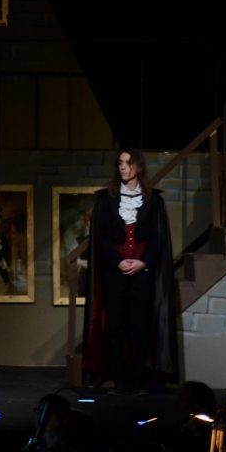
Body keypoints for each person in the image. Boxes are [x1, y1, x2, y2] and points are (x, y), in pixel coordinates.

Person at [82, 148, 178, 394]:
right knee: (116, 328)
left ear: (139, 166)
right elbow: (100, 238)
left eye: (127, 162)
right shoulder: (106, 200)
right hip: (114, 274)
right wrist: (118, 261)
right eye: (120, 163)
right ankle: (119, 381)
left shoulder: (154, 200)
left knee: (139, 327)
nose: (123, 167)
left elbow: (158, 238)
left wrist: (143, 262)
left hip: (142, 275)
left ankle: (137, 381)